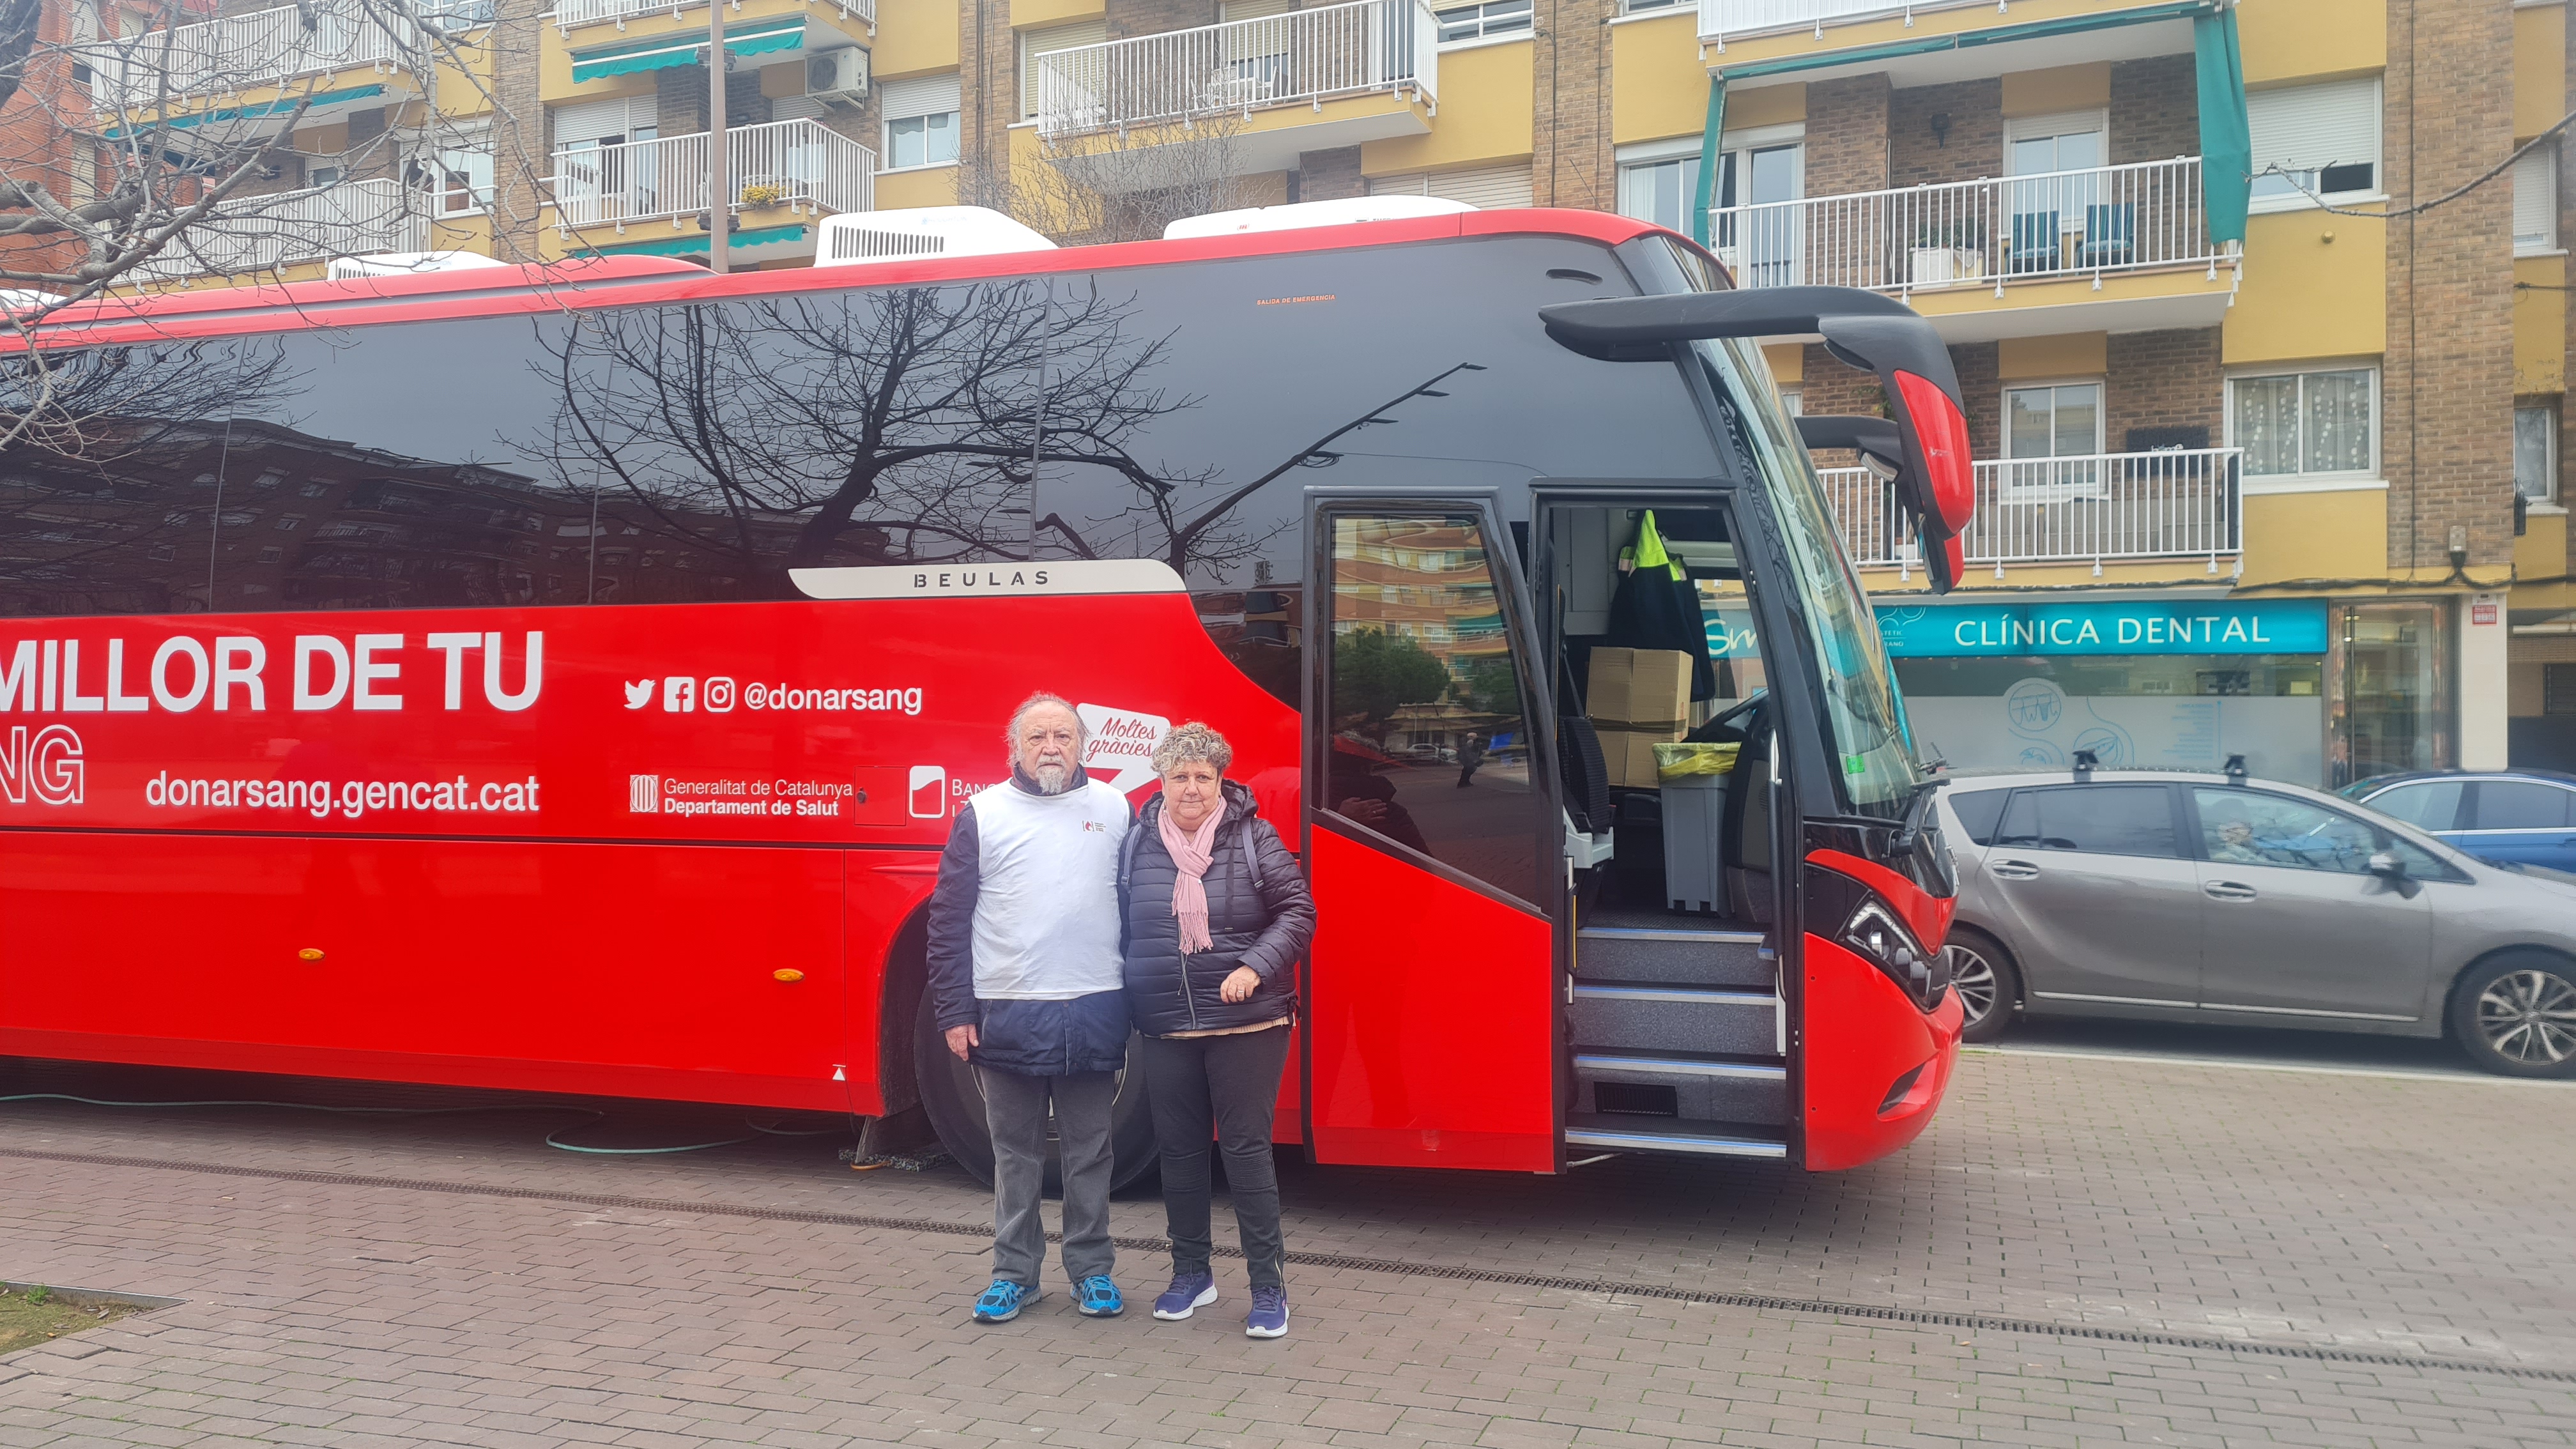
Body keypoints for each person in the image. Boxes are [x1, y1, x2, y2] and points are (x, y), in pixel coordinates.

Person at [926, 693, 1135, 1325]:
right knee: (1015, 1155)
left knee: (1090, 1152)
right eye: (1038, 737)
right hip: (1007, 1011)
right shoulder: (982, 814)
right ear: (1014, 748)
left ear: (1083, 747)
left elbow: (1139, 907)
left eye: (1063, 737)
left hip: (1094, 1006)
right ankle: (1014, 1276)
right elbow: (948, 921)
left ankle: (1092, 1272)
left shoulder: (1117, 808)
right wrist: (954, 1012)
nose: (1051, 748)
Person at [1119, 723, 1317, 1339]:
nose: (1192, 788)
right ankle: (1191, 1275)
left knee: (1245, 1151)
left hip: (1248, 1021)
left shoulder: (1255, 837)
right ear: (1161, 781)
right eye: (1180, 776)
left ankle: (1267, 1288)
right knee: (1179, 1153)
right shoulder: (1136, 845)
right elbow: (1118, 925)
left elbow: (1298, 912)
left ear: (1221, 781)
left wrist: (1254, 967)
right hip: (1166, 1023)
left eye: (1203, 777)